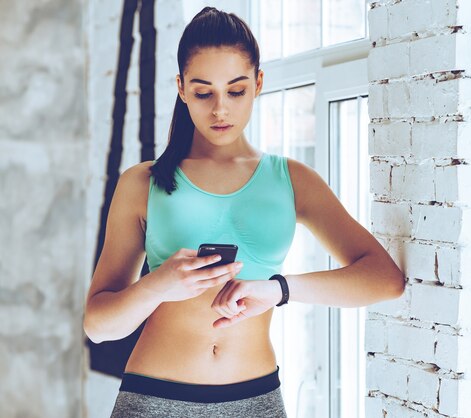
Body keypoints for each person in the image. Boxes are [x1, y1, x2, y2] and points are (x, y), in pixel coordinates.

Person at [83, 6, 405, 418]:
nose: (221, 109)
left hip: (256, 401)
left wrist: (279, 289)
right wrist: (160, 284)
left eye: (235, 90)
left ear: (258, 83)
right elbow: (98, 325)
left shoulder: (292, 179)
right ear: (181, 88)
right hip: (152, 400)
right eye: (203, 92)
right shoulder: (143, 183)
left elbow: (386, 280)